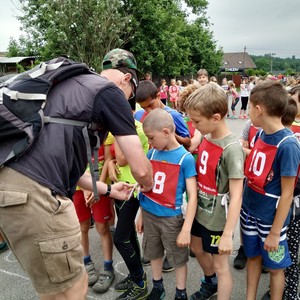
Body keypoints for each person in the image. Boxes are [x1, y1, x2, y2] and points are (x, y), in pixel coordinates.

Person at [0, 48, 153, 300]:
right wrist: (148, 184)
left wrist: (108, 189)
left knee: (56, 288)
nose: (128, 101)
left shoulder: (69, 85)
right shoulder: (109, 91)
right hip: (37, 195)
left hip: (12, 187)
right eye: (131, 95)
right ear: (127, 79)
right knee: (71, 290)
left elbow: (63, 167)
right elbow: (140, 168)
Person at [183, 83, 245, 300]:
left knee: (221, 265)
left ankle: (220, 288)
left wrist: (228, 234)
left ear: (216, 118)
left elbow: (237, 195)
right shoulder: (205, 137)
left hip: (218, 217)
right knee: (197, 248)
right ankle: (210, 283)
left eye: (197, 121)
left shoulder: (232, 149)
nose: (194, 125)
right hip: (200, 209)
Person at [240, 81, 300, 300]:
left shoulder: (289, 144)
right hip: (249, 211)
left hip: (270, 219)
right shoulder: (260, 134)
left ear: (259, 109)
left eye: (249, 109)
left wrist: (275, 232)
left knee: (275, 267)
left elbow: (287, 193)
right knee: (252, 257)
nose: (247, 114)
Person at [136, 108, 198, 300]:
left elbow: (193, 196)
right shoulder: (152, 154)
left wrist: (186, 228)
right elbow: (146, 187)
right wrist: (140, 214)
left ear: (165, 132)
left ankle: (181, 292)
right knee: (153, 252)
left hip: (171, 218)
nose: (150, 142)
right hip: (149, 213)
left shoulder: (185, 158)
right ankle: (158, 286)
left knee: (178, 258)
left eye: (151, 138)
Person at [107, 119, 150, 300]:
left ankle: (140, 282)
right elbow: (111, 157)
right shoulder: (120, 127)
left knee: (120, 238)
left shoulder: (134, 129)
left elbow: (122, 159)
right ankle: (136, 276)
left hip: (132, 189)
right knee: (129, 234)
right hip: (120, 187)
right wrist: (110, 163)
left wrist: (117, 135)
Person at [73, 139, 115, 294]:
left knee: (102, 227)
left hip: (101, 186)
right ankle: (86, 262)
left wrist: (96, 187)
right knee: (82, 226)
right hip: (78, 187)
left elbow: (108, 159)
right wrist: (86, 187)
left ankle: (108, 267)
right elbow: (73, 158)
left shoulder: (106, 134)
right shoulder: (74, 131)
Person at [135, 80, 191, 149]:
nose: (148, 110)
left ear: (158, 96)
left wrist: (172, 134)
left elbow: (188, 142)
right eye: (143, 107)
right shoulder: (138, 115)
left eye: (150, 105)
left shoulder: (173, 115)